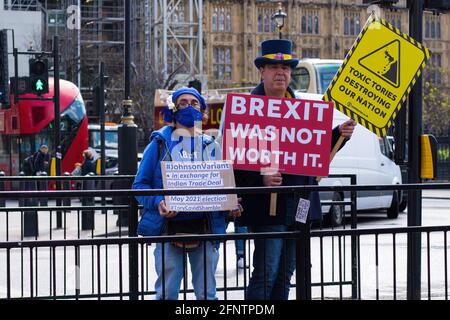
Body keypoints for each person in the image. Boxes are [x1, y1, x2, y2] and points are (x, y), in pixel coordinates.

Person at [234, 39, 357, 300]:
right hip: (267, 207)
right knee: (266, 272)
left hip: (299, 203)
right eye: (274, 66)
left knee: (286, 273)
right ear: (262, 71)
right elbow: (235, 162)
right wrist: (261, 179)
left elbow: (314, 150)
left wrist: (340, 134)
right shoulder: (246, 110)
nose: (281, 72)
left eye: (286, 67)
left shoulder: (301, 109)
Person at [133, 87, 240, 300]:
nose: (189, 107)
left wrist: (230, 205)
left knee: (207, 295)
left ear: (202, 111)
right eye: (183, 103)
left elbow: (223, 187)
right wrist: (159, 202)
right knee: (167, 293)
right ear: (173, 109)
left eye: (194, 103)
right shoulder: (159, 145)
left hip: (205, 229)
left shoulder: (212, 147)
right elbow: (140, 185)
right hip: (168, 230)